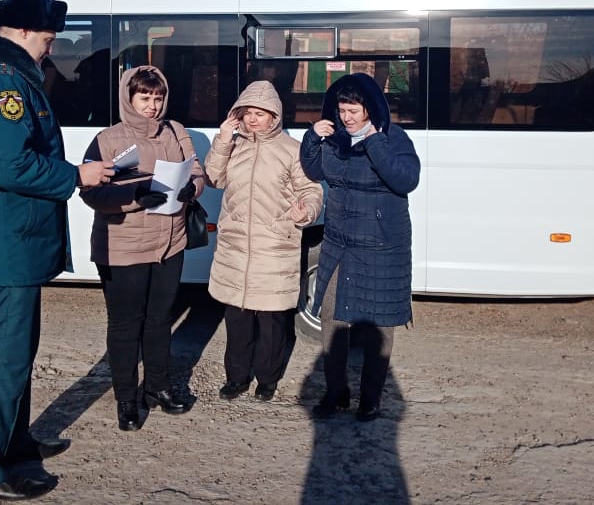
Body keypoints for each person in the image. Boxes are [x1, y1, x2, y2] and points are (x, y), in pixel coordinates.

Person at [0, 0, 115, 501]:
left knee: (18, 352)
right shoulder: (0, 84)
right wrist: (76, 176)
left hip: (13, 242)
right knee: (3, 357)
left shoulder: (12, 77)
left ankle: (14, 443)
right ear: (21, 33)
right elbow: (10, 165)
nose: (51, 47)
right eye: (47, 38)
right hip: (3, 246)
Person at [79, 65, 205, 432]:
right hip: (123, 246)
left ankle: (158, 387)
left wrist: (191, 188)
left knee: (159, 321)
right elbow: (91, 193)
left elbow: (195, 169)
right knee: (125, 325)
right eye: (144, 97)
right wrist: (134, 195)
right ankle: (126, 399)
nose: (152, 105)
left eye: (158, 97)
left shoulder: (176, 130)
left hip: (170, 242)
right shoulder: (108, 139)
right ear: (129, 98)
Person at [300, 72, 420, 422]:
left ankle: (371, 398)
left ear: (370, 108)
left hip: (383, 246)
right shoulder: (336, 139)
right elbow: (312, 171)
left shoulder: (394, 139)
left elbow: (406, 179)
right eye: (342, 110)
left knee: (379, 327)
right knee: (330, 320)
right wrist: (312, 139)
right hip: (340, 244)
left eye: (353, 110)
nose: (347, 117)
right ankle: (336, 392)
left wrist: (374, 141)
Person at [204, 81, 323, 402]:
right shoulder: (234, 146)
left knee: (271, 323)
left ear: (275, 117)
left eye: (261, 114)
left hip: (274, 249)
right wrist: (223, 140)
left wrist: (307, 209)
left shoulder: (291, 149)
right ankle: (237, 378)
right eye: (248, 113)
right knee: (238, 322)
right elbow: (213, 178)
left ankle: (267, 380)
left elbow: (311, 190)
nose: (253, 119)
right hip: (236, 252)